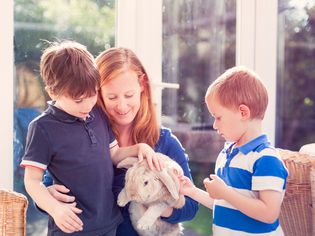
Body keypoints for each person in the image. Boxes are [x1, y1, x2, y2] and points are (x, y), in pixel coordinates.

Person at [44, 47, 199, 235]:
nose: (122, 105)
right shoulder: (82, 134)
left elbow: (191, 207)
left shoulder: (164, 142)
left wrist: (154, 205)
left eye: (129, 95)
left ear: (142, 85)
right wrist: (48, 198)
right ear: (97, 92)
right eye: (112, 97)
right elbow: (46, 185)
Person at [21, 41, 159, 236]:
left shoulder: (97, 114)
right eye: (78, 100)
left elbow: (115, 154)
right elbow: (32, 181)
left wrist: (139, 148)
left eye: (93, 94)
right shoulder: (43, 128)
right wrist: (54, 208)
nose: (87, 105)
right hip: (72, 228)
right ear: (53, 92)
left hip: (108, 224)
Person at [179, 66, 288, 235]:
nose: (215, 125)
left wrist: (225, 193)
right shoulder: (226, 154)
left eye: (218, 117)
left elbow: (268, 214)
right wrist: (192, 191)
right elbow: (225, 205)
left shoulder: (266, 159)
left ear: (243, 112)